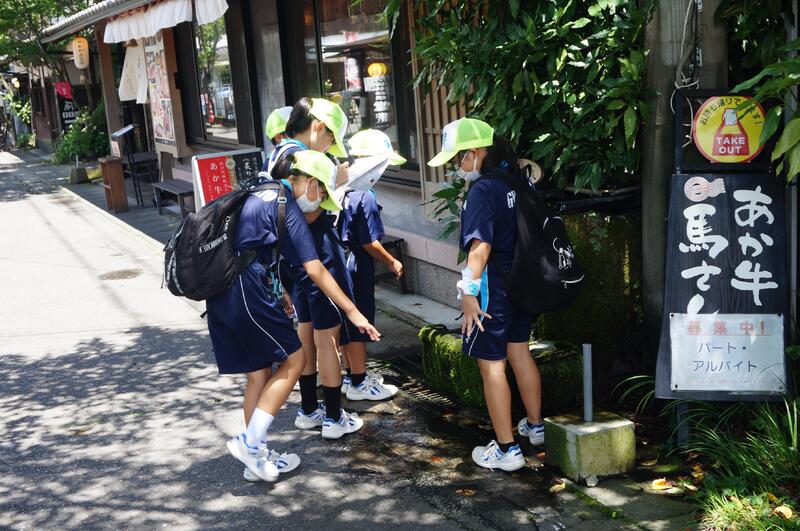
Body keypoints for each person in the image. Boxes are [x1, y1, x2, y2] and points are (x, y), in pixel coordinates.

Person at [209, 149, 380, 482]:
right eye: (321, 193)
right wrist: (353, 311)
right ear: (310, 183)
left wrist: (279, 289)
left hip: (220, 290)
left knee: (258, 372)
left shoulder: (257, 190)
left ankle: (255, 457)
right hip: (248, 289)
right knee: (295, 359)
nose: (318, 202)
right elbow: (315, 269)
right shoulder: (286, 205)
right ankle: (250, 442)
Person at [427, 118, 544, 472]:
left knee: (491, 365)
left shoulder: (483, 190)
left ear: (476, 153)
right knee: (519, 351)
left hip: (494, 287)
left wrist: (468, 293)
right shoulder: (519, 180)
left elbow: (480, 248)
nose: (456, 166)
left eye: (458, 158)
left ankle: (507, 449)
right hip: (524, 281)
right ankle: (535, 427)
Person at [271, 151, 362, 439]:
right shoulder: (301, 191)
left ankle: (309, 409)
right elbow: (311, 216)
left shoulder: (278, 192)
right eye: (320, 189)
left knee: (307, 330)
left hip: (295, 265)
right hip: (320, 259)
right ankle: (334, 417)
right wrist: (352, 311)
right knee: (327, 339)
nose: (322, 196)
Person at [337, 129, 405, 400]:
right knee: (360, 321)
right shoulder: (364, 195)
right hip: (357, 265)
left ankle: (350, 376)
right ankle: (359, 382)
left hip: (339, 261)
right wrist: (392, 261)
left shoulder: (340, 186)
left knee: (346, 321)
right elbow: (369, 242)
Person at [263, 97, 350, 190]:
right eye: (332, 141)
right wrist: (336, 181)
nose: (328, 149)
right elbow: (310, 197)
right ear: (320, 128)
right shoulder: (305, 160)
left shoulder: (278, 153)